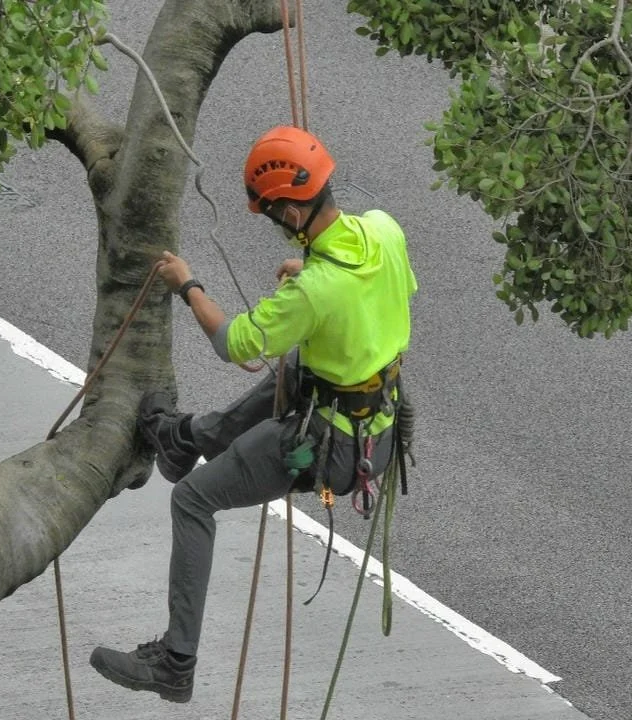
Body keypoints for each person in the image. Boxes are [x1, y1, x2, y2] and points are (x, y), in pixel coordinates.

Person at [89, 125, 418, 703]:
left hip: (331, 447)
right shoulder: (384, 230)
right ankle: (185, 438)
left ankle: (175, 661)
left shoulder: (316, 292)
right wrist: (310, 272)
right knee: (301, 363)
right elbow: (376, 293)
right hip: (376, 425)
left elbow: (233, 344)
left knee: (192, 500)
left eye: (272, 214)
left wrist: (187, 284)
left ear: (292, 211)